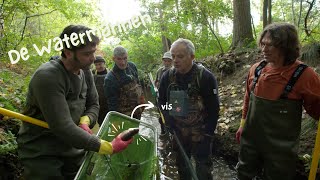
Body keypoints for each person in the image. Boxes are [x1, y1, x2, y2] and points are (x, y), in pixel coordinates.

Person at [17, 25, 133, 179]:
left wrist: (85, 120)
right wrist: (108, 147)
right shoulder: (48, 77)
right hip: (42, 151)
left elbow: (94, 104)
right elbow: (63, 127)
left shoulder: (85, 70)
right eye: (87, 54)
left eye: (93, 52)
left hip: (73, 147)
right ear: (68, 52)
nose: (93, 58)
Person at [235, 22, 320, 180]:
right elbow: (248, 97)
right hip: (250, 141)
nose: (264, 49)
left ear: (286, 47)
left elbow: (316, 109)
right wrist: (242, 124)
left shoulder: (304, 75)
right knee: (243, 174)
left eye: (271, 45)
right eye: (263, 44)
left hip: (281, 149)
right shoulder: (256, 69)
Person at [158, 38, 220, 180]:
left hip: (201, 132)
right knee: (183, 168)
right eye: (173, 56)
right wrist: (168, 118)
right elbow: (161, 101)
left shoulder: (205, 77)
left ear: (192, 57)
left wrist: (208, 137)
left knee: (203, 171)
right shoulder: (167, 76)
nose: (175, 60)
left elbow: (214, 109)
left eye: (180, 56)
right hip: (178, 131)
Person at [104, 46, 145, 119]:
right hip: (124, 116)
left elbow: (138, 84)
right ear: (113, 59)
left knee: (137, 130)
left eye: (125, 58)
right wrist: (116, 120)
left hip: (137, 111)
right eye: (119, 59)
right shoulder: (110, 79)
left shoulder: (132, 66)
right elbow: (112, 104)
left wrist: (142, 98)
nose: (123, 63)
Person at [155, 51, 173, 135]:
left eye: (169, 61)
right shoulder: (159, 71)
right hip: (161, 97)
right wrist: (157, 86)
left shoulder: (175, 71)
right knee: (161, 115)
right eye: (165, 60)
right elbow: (156, 82)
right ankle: (163, 131)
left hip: (171, 98)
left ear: (171, 61)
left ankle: (172, 132)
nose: (166, 63)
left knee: (172, 116)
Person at [92, 55, 109, 126]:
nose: (98, 66)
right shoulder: (92, 75)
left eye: (100, 64)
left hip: (110, 104)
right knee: (101, 124)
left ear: (104, 64)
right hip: (99, 105)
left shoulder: (111, 74)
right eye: (96, 65)